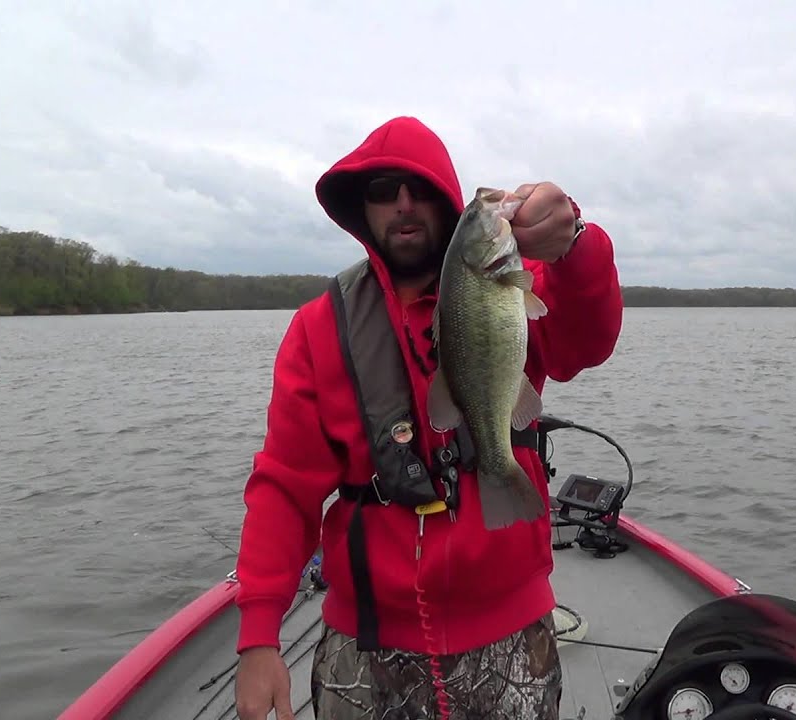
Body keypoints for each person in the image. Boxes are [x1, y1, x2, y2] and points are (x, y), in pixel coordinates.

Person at [233, 116, 624, 720]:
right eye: (383, 189)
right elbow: (284, 488)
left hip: (512, 629)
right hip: (364, 644)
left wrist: (572, 243)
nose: (403, 203)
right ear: (360, 209)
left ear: (447, 199)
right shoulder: (317, 329)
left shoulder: (508, 283)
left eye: (417, 188)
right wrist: (260, 635)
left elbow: (587, 341)